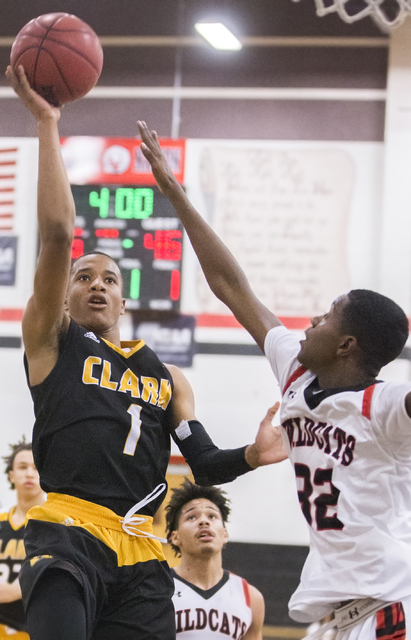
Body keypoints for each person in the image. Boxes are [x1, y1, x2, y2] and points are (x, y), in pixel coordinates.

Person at [5, 65, 286, 640]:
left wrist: (253, 456)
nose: (97, 285)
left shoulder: (167, 376)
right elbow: (59, 235)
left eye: (109, 278)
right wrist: (47, 123)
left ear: (125, 299)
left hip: (142, 552)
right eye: (84, 277)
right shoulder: (53, 341)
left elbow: (204, 463)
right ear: (65, 294)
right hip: (68, 532)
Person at [138, 119, 411, 640]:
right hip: (331, 616)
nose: (312, 320)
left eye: (328, 315)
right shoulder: (297, 369)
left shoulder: (386, 406)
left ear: (348, 344)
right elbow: (229, 285)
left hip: (388, 604)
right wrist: (175, 193)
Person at [165, 479, 265, 639]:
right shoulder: (157, 588)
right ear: (175, 537)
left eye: (212, 516)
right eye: (191, 517)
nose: (204, 521)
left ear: (225, 534)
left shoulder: (251, 597)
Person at [0, 439, 45, 639]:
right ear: (11, 475)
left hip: (35, 628)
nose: (29, 473)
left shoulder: (55, 526)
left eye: (36, 468)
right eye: (22, 467)